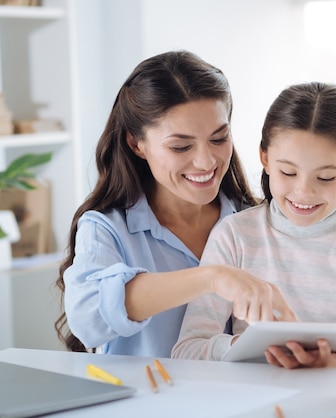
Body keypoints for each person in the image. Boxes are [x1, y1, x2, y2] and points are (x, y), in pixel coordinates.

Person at [53, 50, 295, 358]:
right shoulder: (108, 228)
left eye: (219, 139)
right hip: (149, 404)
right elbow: (88, 318)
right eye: (181, 146)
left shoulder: (257, 221)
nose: (206, 161)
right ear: (136, 144)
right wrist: (213, 277)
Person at [172, 81, 336, 368]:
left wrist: (326, 362)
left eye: (326, 178)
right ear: (265, 159)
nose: (304, 192)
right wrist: (243, 345)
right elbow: (187, 350)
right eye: (288, 172)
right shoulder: (235, 236)